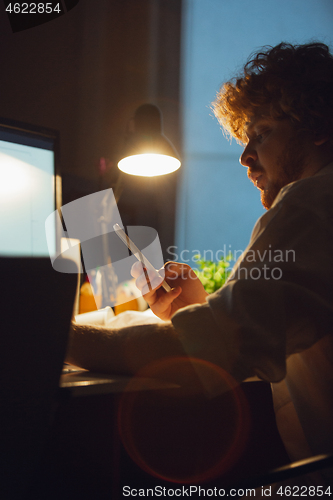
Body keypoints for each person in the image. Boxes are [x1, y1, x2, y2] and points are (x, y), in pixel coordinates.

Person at [66, 42, 333, 489]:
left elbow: (206, 358)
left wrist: (49, 333)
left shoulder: (315, 201)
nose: (246, 157)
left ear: (317, 126)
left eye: (261, 133)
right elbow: (265, 328)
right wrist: (199, 309)